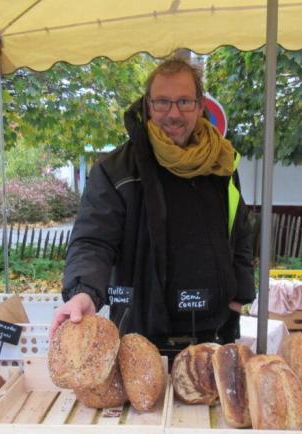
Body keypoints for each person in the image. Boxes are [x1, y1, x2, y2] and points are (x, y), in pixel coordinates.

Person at [48, 57, 255, 358]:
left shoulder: (220, 163)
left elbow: (240, 231)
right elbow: (93, 240)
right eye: (162, 102)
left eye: (184, 101)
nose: (174, 113)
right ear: (148, 106)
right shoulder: (115, 171)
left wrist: (241, 291)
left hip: (214, 337)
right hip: (141, 339)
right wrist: (84, 292)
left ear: (200, 107)